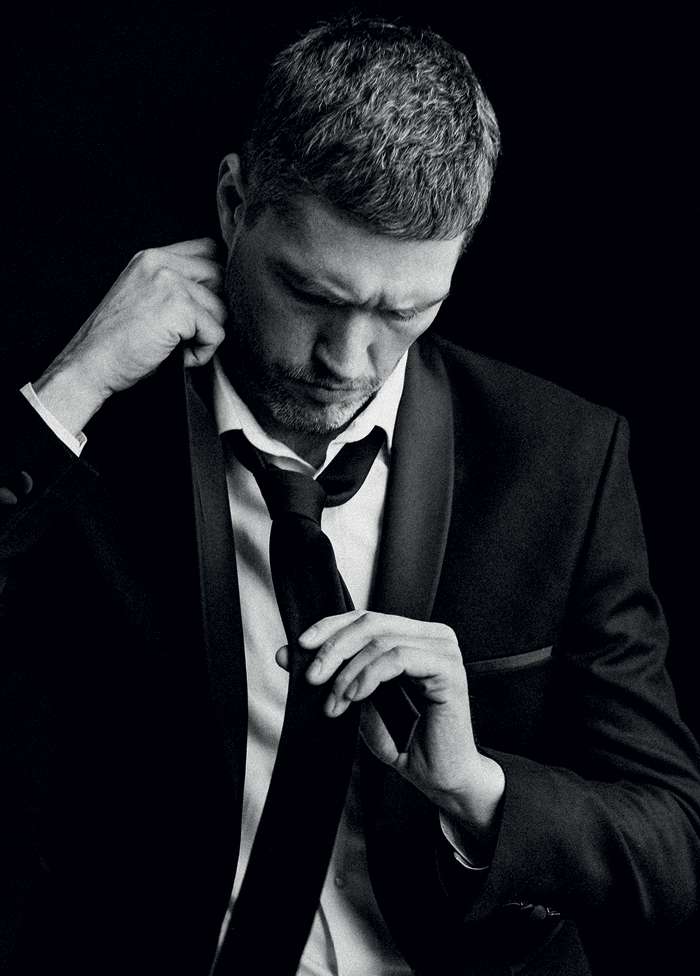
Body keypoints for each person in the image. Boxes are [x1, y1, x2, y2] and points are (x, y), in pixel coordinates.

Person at [1, 14, 698, 976]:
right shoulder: (91, 431)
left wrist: (477, 791)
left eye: (406, 311)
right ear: (235, 202)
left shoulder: (561, 458)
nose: (349, 359)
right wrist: (70, 389)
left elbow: (671, 847)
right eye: (313, 295)